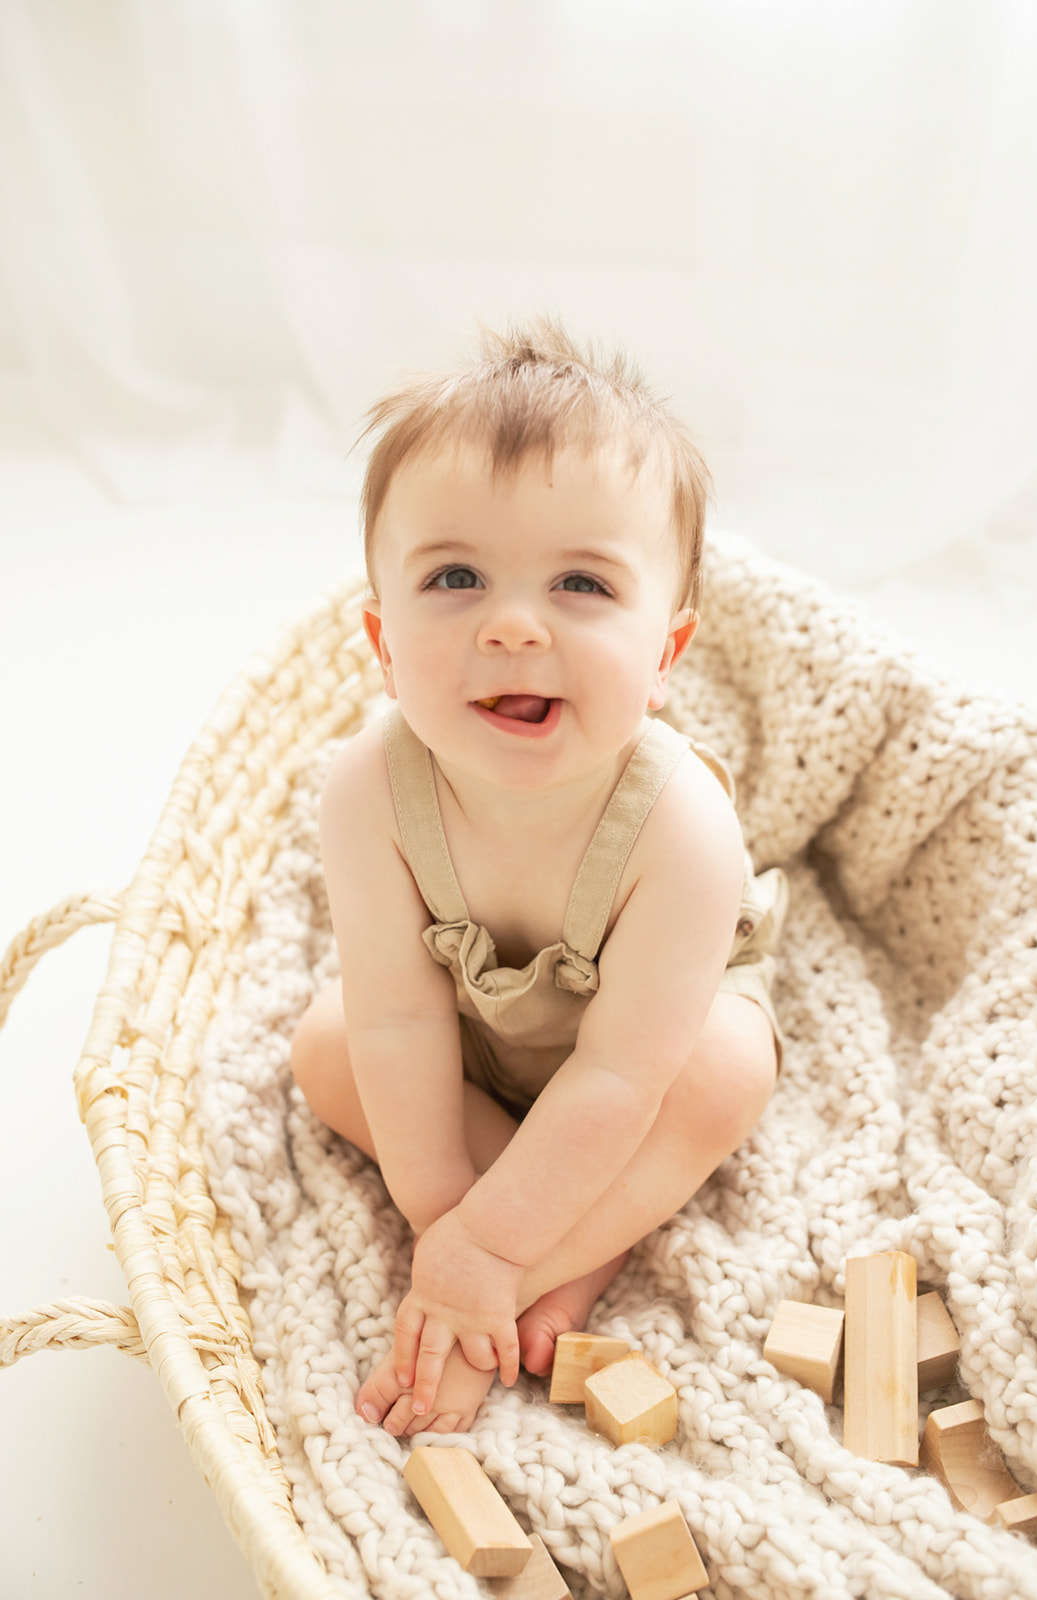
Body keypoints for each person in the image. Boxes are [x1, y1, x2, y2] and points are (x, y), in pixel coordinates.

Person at [290, 317, 787, 1437]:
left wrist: (488, 1256)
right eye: (455, 577)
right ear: (380, 636)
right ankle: (564, 1245)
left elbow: (616, 1075)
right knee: (325, 1046)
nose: (512, 626)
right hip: (474, 1039)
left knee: (723, 1070)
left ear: (664, 653)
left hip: (637, 1057)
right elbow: (401, 1028)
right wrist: (447, 1228)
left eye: (579, 584)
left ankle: (557, 1256)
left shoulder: (679, 828)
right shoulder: (366, 789)